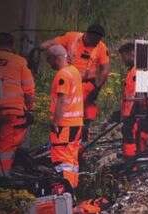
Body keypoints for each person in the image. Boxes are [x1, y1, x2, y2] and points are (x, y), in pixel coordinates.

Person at [41, 24, 110, 143]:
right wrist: (38, 50)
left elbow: (105, 69)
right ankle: (61, 133)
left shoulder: (101, 47)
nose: (96, 42)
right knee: (64, 108)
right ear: (88, 34)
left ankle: (82, 137)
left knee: (86, 111)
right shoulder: (71, 37)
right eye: (95, 40)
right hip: (69, 80)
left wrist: (97, 88)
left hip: (87, 84)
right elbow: (48, 44)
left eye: (99, 40)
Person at [47, 45, 83, 189]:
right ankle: (72, 193)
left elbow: (61, 99)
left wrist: (55, 122)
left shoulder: (62, 74)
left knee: (62, 160)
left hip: (64, 125)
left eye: (49, 60)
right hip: (76, 123)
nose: (49, 64)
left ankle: (63, 194)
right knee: (72, 160)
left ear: (56, 58)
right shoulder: (74, 71)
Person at [0, 33, 35, 177]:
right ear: (12, 45)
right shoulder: (19, 62)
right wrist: (29, 109)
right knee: (6, 148)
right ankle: (3, 181)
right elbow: (29, 91)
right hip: (11, 113)